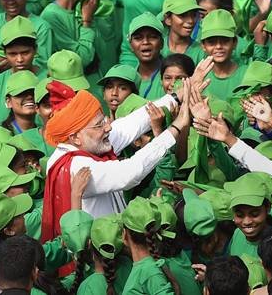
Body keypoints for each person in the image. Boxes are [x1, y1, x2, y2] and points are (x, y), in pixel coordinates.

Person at [40, 78, 188, 233]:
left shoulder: (86, 143)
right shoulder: (76, 166)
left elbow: (131, 123)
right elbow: (130, 172)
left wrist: (177, 96)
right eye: (99, 124)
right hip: (101, 246)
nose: (108, 128)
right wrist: (176, 127)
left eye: (104, 120)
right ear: (75, 137)